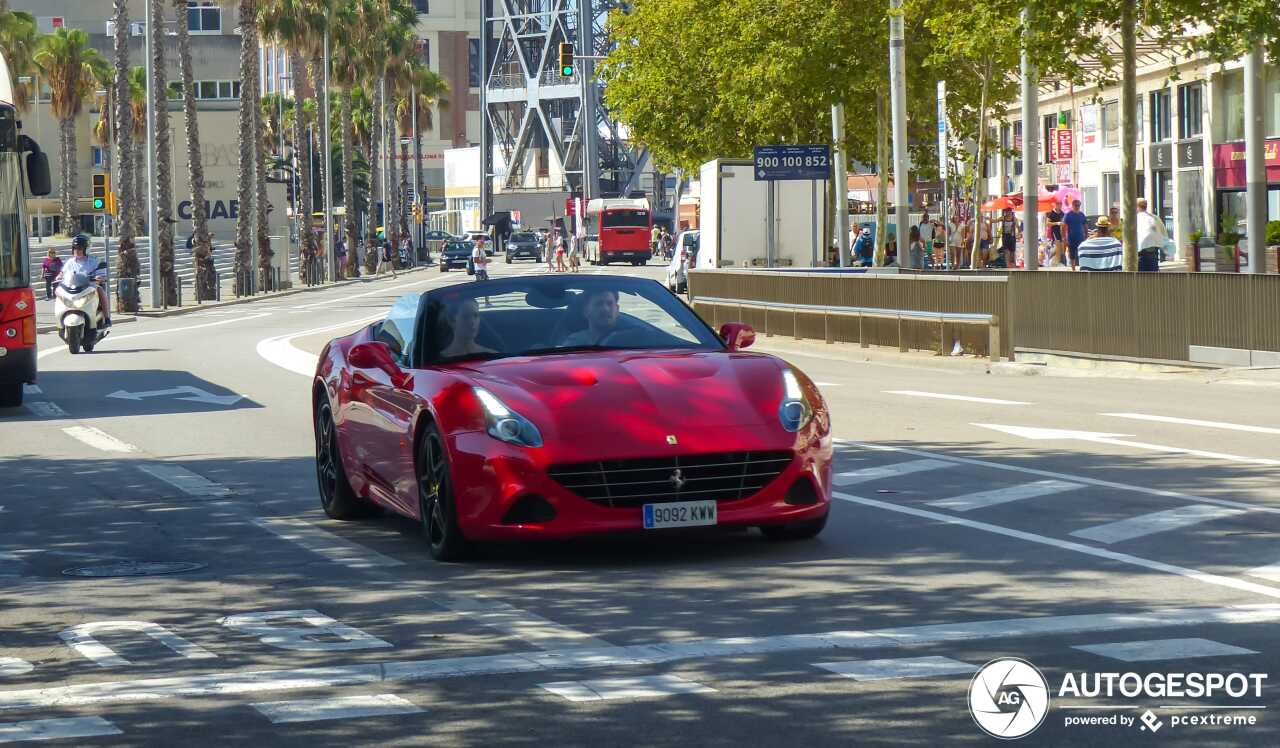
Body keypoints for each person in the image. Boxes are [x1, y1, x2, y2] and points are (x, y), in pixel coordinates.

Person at [56, 235, 110, 325]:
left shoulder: (94, 261)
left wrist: (99, 278)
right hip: (73, 287)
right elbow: (62, 272)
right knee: (58, 292)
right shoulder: (70, 262)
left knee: (100, 290)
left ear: (86, 249)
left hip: (89, 286)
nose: (77, 251)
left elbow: (101, 274)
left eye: (80, 248)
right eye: (75, 248)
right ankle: (60, 318)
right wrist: (59, 276)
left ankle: (107, 317)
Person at [1135, 198, 1167, 272]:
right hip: (1153, 253)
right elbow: (1164, 234)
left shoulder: (1135, 219)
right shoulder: (1155, 218)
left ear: (1136, 206)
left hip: (1139, 254)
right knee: (1153, 279)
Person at [1063, 199, 1088, 270]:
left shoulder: (1082, 215)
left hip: (1081, 237)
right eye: (1076, 205)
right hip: (1071, 238)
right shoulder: (1068, 215)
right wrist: (1064, 238)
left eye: (1079, 205)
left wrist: (1086, 236)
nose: (1077, 207)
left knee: (1082, 253)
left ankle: (1082, 267)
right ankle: (1073, 269)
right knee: (1072, 253)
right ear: (1072, 206)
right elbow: (1063, 227)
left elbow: (1085, 225)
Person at [1046, 201, 1066, 266]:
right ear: (1055, 204)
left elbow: (1064, 222)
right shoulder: (1051, 213)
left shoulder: (1062, 213)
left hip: (1061, 233)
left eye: (1060, 204)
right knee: (1057, 247)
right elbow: (1047, 223)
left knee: (1062, 248)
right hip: (1054, 233)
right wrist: (1057, 223)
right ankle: (1050, 260)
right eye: (1058, 204)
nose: (1059, 205)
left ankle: (1061, 262)